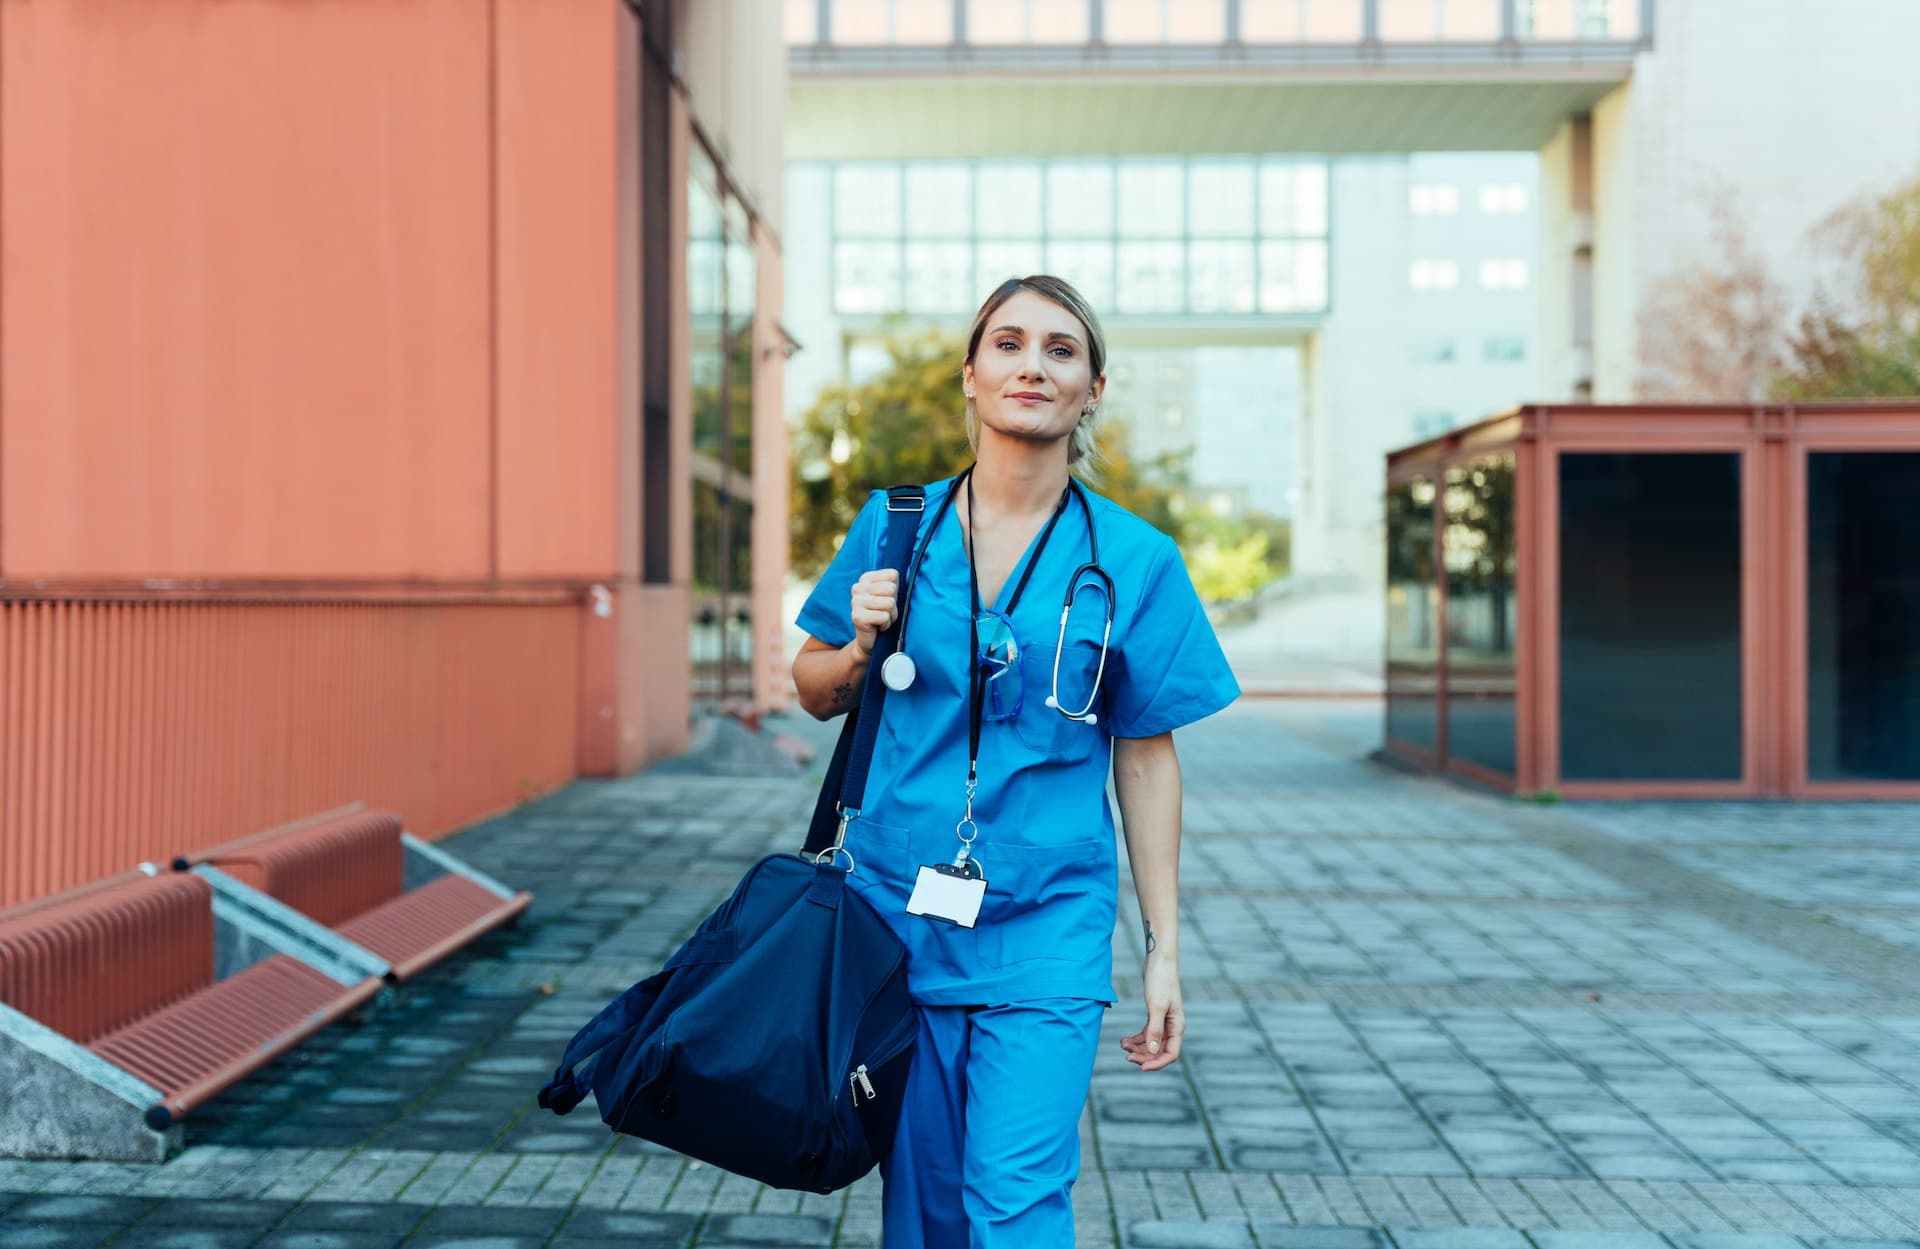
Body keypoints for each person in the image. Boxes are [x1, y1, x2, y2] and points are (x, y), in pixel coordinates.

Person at [791, 274, 1239, 1247]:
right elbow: (814, 686)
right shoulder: (895, 525)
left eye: (1061, 349)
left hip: (1048, 924)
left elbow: (1148, 758)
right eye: (1008, 342)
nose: (1032, 363)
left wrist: (1164, 952)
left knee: (1015, 1202)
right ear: (971, 374)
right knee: (923, 1207)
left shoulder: (1135, 557)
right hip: (892, 921)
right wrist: (860, 647)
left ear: (1093, 388)